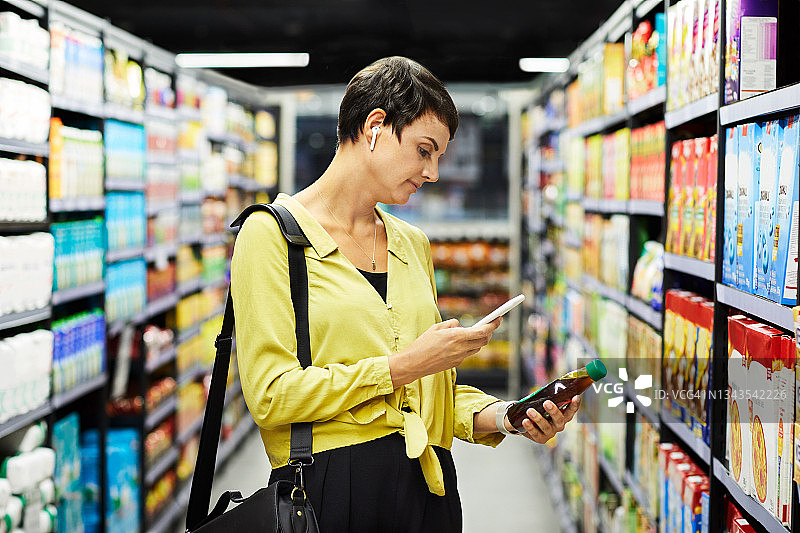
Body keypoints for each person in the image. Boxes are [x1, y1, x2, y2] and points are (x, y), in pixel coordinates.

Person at [230, 56, 580, 532]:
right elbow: (271, 395)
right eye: (424, 150)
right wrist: (403, 366)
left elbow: (429, 397)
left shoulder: (411, 244)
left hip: (429, 490)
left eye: (438, 157)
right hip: (330, 494)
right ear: (375, 126)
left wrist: (505, 416)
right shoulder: (271, 236)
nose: (432, 172)